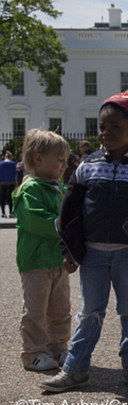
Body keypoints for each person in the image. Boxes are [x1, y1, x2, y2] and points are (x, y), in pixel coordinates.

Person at [40, 90, 128, 392]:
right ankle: (75, 369)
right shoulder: (86, 168)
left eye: (115, 127)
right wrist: (69, 249)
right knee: (89, 312)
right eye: (102, 126)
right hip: (93, 256)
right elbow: (69, 213)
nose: (106, 133)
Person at [12, 130, 71, 371]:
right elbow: (37, 220)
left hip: (58, 259)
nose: (64, 165)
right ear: (38, 159)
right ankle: (34, 353)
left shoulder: (59, 187)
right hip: (35, 261)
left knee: (60, 310)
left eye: (66, 160)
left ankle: (58, 347)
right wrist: (67, 228)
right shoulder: (31, 189)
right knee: (35, 311)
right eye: (59, 159)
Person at [0, 150, 17, 217]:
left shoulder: (1, 164)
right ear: (10, 157)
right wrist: (16, 183)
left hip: (2, 183)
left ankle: (3, 213)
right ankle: (10, 213)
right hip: (11, 183)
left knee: (2, 198)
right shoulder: (13, 163)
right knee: (10, 198)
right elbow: (15, 174)